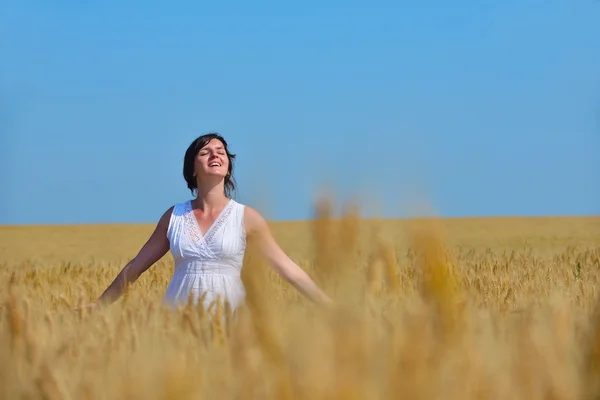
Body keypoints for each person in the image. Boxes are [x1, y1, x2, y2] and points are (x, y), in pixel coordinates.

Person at [83, 132, 334, 312]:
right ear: (193, 168)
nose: (215, 154)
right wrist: (101, 304)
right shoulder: (174, 216)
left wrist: (329, 306)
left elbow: (287, 268)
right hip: (179, 314)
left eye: (220, 151)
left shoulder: (246, 217)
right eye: (205, 152)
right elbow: (136, 266)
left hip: (231, 314)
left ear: (227, 166)